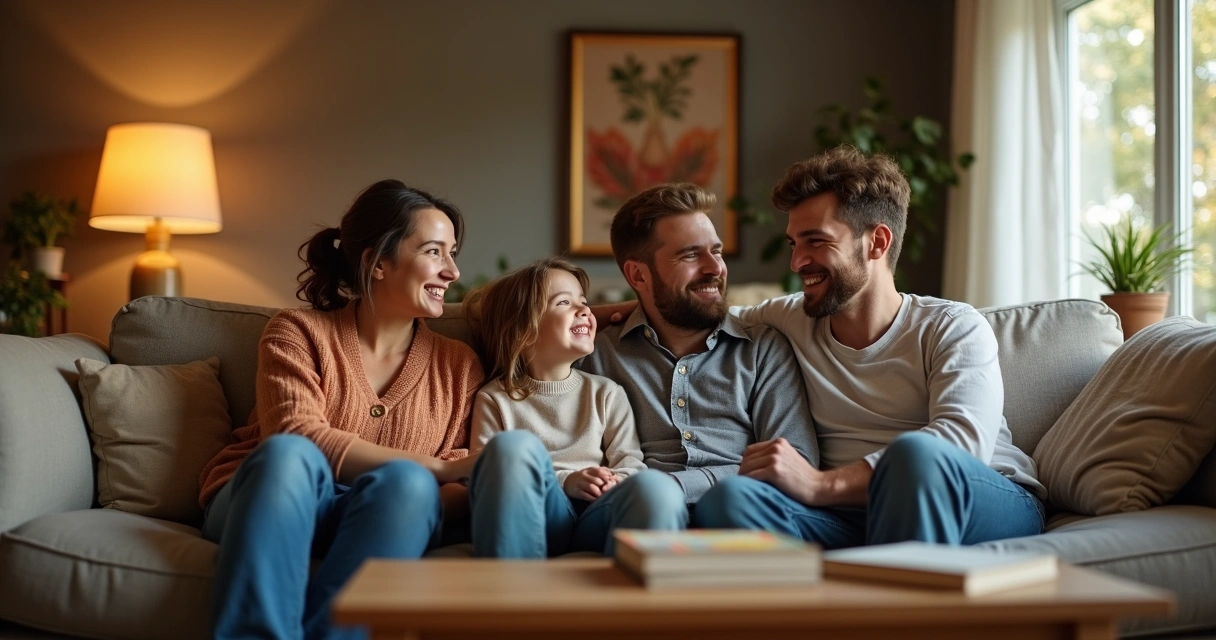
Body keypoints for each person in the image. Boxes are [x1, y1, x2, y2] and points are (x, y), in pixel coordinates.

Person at [694, 146, 1046, 548]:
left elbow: (962, 445)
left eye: (816, 241)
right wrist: (609, 314)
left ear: (877, 242)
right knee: (731, 498)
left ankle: (888, 606)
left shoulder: (953, 327)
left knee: (916, 457)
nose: (796, 262)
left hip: (983, 496)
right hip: (847, 515)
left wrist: (820, 483)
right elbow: (696, 314)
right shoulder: (788, 319)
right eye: (794, 243)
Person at [197, 179, 484, 640]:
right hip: (269, 500)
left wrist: (428, 480)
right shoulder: (297, 332)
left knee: (410, 484)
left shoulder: (459, 365)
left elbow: (460, 476)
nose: (452, 271)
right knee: (291, 457)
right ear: (377, 263)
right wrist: (435, 468)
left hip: (375, 515)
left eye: (453, 253)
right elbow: (296, 436)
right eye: (434, 251)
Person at [580, 182, 818, 512]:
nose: (715, 268)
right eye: (691, 255)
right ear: (638, 276)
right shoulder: (595, 354)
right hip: (634, 513)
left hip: (737, 512)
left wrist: (673, 485)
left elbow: (795, 466)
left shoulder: (762, 349)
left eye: (716, 251)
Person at [464, 257, 659, 558]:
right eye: (564, 302)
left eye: (584, 301)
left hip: (596, 515)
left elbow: (631, 463)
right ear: (522, 330)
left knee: (648, 486)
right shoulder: (494, 399)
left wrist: (610, 481)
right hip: (539, 514)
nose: (585, 310)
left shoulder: (606, 393)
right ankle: (511, 589)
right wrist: (567, 481)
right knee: (510, 449)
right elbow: (487, 478)